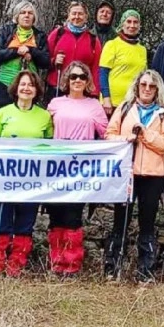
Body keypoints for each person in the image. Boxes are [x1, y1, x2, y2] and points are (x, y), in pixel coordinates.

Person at [104, 70, 164, 282]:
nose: (147, 89)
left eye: (151, 86)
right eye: (143, 84)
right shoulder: (125, 109)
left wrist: (146, 135)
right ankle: (113, 267)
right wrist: (128, 138)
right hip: (127, 174)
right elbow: (109, 135)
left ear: (157, 90)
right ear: (136, 86)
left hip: (153, 176)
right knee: (120, 221)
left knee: (147, 223)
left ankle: (145, 271)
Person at [0, 70, 54, 276]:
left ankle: (16, 264)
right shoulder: (2, 113)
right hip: (4, 177)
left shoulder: (44, 116)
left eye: (31, 85)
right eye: (23, 84)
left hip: (31, 179)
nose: (26, 88)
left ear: (37, 90)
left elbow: (50, 146)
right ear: (16, 88)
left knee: (25, 223)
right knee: (1, 220)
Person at [46, 62, 109, 276]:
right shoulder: (55, 103)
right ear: (67, 80)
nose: (77, 80)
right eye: (73, 77)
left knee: (73, 216)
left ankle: (72, 265)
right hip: (55, 169)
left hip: (81, 171)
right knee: (56, 216)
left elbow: (107, 133)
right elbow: (45, 132)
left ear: (88, 81)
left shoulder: (94, 106)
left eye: (82, 77)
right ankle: (56, 262)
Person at [0, 1, 51, 108]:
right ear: (17, 16)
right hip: (5, 82)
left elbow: (46, 62)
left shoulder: (40, 36)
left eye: (30, 13)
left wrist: (31, 51)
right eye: (23, 12)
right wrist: (17, 51)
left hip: (29, 86)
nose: (26, 15)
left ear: (34, 17)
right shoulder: (6, 31)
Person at [46, 1, 103, 104]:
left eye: (80, 14)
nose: (77, 17)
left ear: (86, 17)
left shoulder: (93, 39)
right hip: (57, 87)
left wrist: (94, 92)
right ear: (68, 16)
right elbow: (44, 58)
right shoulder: (57, 34)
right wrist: (54, 61)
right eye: (74, 13)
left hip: (81, 88)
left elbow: (96, 68)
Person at [99, 9, 147, 116]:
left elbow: (143, 77)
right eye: (129, 21)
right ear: (122, 24)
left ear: (139, 26)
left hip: (134, 103)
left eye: (135, 22)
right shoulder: (112, 45)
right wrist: (106, 98)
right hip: (112, 103)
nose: (132, 25)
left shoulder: (142, 50)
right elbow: (103, 74)